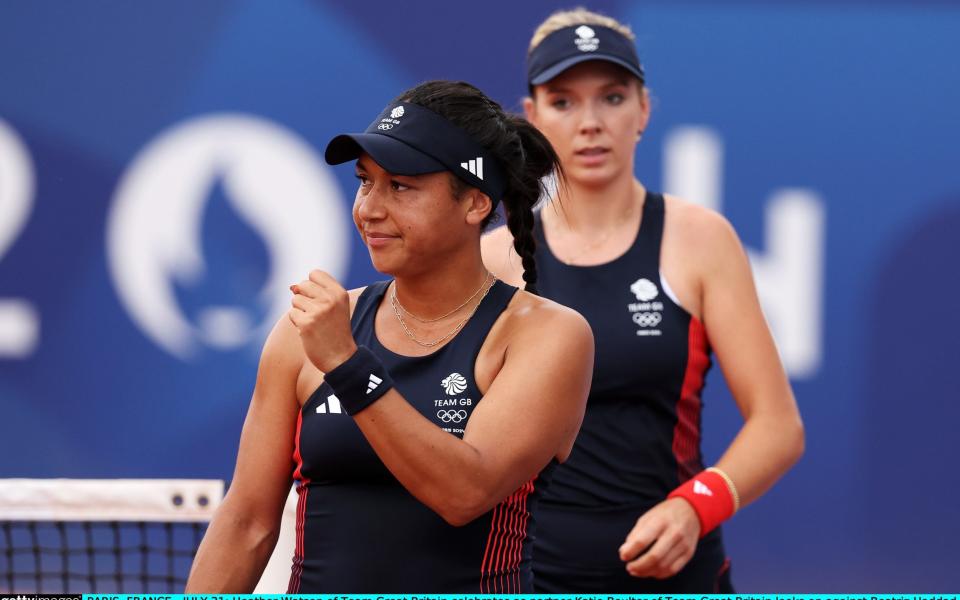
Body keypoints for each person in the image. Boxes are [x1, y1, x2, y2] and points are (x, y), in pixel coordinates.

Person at [184, 80, 593, 593]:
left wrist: (348, 366)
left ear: (473, 203)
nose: (369, 209)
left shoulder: (547, 335)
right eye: (364, 182)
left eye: (400, 186)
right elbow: (247, 522)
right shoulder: (304, 332)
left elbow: (465, 493)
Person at [481, 8, 805, 592]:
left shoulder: (700, 240)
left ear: (644, 109)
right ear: (530, 118)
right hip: (529, 576)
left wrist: (695, 507)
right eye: (563, 101)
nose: (590, 123)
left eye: (611, 97)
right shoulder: (496, 258)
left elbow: (778, 425)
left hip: (678, 573)